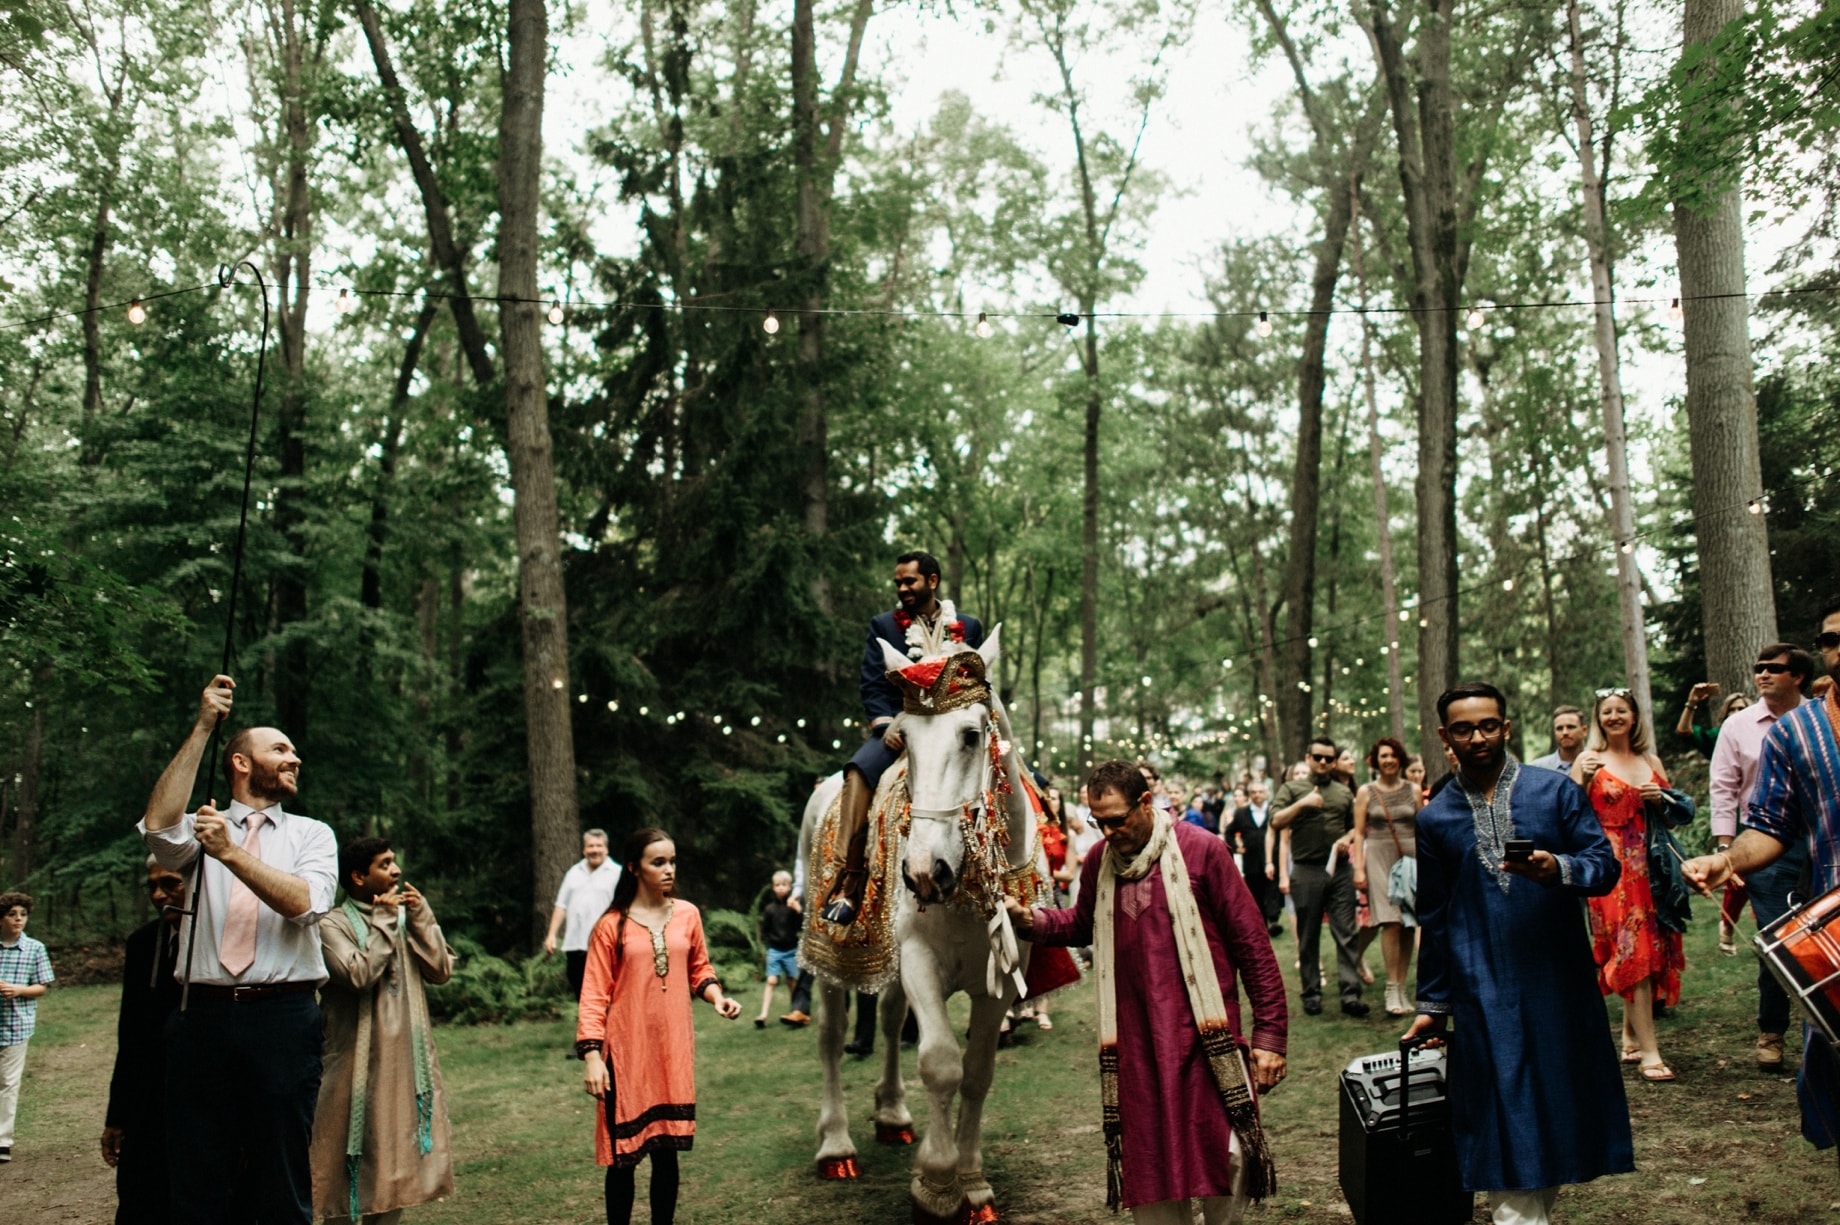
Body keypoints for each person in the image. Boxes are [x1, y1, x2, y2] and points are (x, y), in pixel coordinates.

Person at [1006, 759, 1287, 1224]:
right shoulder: (1100, 860)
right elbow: (1082, 922)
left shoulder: (1203, 851)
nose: (1109, 831)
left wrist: (1270, 1037)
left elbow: (1254, 948)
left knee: (1228, 1155)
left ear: (1145, 802)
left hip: (1205, 1038)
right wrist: (1032, 920)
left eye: (1118, 820)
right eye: (1099, 822)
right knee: (1152, 1166)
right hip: (1137, 1046)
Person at [1403, 681, 1632, 1225]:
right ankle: (1518, 1216)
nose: (1477, 737)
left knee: (1556, 1100)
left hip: (1558, 979)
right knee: (1501, 1104)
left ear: (1506, 728)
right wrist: (1433, 1003)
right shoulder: (1435, 818)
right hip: (1481, 986)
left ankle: (1531, 1208)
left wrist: (1560, 869)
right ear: (1444, 737)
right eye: (1463, 729)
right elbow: (1434, 918)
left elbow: (1604, 866)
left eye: (1487, 725)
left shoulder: (1552, 792)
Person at [138, 674, 338, 1224]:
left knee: (282, 1173)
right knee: (199, 1174)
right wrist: (205, 724)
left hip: (283, 1018)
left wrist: (230, 854)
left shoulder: (311, 834)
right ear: (242, 764)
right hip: (200, 1017)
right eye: (280, 749)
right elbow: (157, 827)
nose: (294, 758)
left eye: (294, 751)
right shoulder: (202, 828)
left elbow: (307, 904)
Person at [1685, 597, 1840, 1157]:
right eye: (1830, 639)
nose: (1838, 648)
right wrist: (1723, 859)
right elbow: (1770, 824)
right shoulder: (1795, 733)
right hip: (1834, 927)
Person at [577, 827, 742, 1225]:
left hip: (671, 1052)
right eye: (658, 863)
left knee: (666, 1152)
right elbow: (594, 995)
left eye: (672, 861)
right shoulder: (610, 926)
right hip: (627, 1056)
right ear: (634, 868)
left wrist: (717, 996)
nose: (669, 870)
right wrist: (593, 1058)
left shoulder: (687, 914)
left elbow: (700, 969)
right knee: (623, 1160)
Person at [820, 550, 984, 925]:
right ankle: (850, 881)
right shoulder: (884, 625)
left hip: (951, 729)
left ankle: (1006, 874)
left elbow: (974, 682)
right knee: (858, 774)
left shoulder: (968, 626)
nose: (902, 588)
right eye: (898, 582)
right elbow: (873, 684)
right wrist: (886, 724)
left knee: (1008, 771)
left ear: (932, 581)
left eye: (909, 581)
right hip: (899, 728)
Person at [309, 837, 455, 1224]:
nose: (397, 871)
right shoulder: (330, 923)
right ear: (358, 877)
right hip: (352, 1067)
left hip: (403, 1066)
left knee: (395, 1168)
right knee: (341, 1166)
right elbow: (359, 974)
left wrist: (422, 917)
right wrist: (386, 921)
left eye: (394, 862)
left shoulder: (405, 918)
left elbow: (440, 970)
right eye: (385, 864)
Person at [1710, 643, 1816, 1068]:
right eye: (1759, 668)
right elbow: (1723, 788)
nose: (1763, 675)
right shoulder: (1738, 726)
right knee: (1778, 941)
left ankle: (1824, 1029)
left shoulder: (1821, 718)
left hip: (1819, 841)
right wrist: (1724, 850)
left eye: (1774, 668)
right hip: (1764, 846)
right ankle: (1772, 1032)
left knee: (1825, 937)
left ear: (1799, 677)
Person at [1572, 687, 1682, 1081]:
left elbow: (1672, 818)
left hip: (1651, 866)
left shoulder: (1649, 759)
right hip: (1611, 868)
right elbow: (1569, 816)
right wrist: (1582, 782)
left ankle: (1631, 1037)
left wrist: (1659, 800)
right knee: (1632, 950)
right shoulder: (1589, 760)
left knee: (1653, 949)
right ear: (1599, 719)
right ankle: (1651, 1051)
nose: (1614, 717)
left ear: (1634, 717)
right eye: (1607, 712)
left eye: (1621, 711)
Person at [102, 859, 187, 1221]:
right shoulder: (142, 943)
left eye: (169, 884)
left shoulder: (225, 941)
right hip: (147, 1097)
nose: (157, 895)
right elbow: (131, 1033)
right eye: (151, 886)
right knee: (140, 1198)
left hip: (205, 1096)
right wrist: (116, 1115)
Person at [1270, 738, 1366, 1016]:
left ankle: (1350, 995)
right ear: (1308, 757)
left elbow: (1354, 828)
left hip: (1339, 870)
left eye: (1329, 758)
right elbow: (1276, 821)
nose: (1323, 762)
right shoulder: (1291, 788)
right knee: (1308, 934)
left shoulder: (1343, 792)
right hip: (1306, 869)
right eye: (1318, 757)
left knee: (1346, 932)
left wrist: (1346, 839)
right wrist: (1303, 803)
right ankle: (1311, 993)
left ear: (1334, 762)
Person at [1352, 737, 1423, 1016]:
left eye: (1393, 755)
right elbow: (1359, 832)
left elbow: (1422, 827)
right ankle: (1391, 988)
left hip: (1411, 859)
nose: (1389, 760)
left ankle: (1402, 987)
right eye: (1383, 756)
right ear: (1375, 760)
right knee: (1390, 921)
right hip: (1379, 858)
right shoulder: (1365, 792)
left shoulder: (1413, 790)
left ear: (1401, 759)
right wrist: (1359, 867)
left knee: (1408, 922)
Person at [0, 890, 53, 1164]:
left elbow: (42, 986)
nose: (18, 919)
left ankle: (2, 1140)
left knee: (9, 1082)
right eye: (12, 915)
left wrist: (18, 990)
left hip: (16, 1026)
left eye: (23, 914)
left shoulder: (35, 948)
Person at [544, 829, 622, 999]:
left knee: (608, 993)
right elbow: (561, 905)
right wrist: (551, 935)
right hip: (576, 945)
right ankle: (589, 1026)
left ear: (606, 849)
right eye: (590, 846)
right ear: (584, 850)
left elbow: (626, 909)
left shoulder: (617, 873)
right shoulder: (573, 873)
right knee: (581, 992)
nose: (595, 850)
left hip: (607, 945)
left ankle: (610, 1025)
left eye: (599, 846)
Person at [1225, 782, 1281, 937]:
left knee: (1272, 889)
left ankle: (1274, 919)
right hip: (1251, 861)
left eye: (1260, 791)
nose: (1257, 795)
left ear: (1266, 793)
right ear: (1249, 795)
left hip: (1271, 858)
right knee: (1255, 894)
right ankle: (1261, 924)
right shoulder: (1241, 813)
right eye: (1253, 792)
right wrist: (1236, 848)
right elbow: (1229, 833)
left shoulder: (1274, 811)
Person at [755, 871, 800, 1029]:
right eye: (777, 885)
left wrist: (798, 910)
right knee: (771, 980)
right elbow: (765, 930)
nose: (781, 888)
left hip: (790, 950)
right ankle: (763, 1015)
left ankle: (796, 1011)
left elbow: (800, 925)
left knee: (791, 981)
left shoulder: (793, 907)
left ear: (790, 887)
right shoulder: (770, 909)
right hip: (775, 950)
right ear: (773, 888)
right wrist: (769, 945)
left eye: (784, 885)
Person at [1675, 683, 1752, 756]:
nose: (1736, 713)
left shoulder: (1758, 734)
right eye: (1731, 710)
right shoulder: (1718, 737)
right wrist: (1691, 703)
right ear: (1726, 714)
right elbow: (1684, 731)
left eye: (1741, 709)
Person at [1526, 706, 1587, 773]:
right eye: (1559, 728)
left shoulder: (1596, 763)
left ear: (1584, 731)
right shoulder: (1538, 769)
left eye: (1570, 727)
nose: (1565, 732)